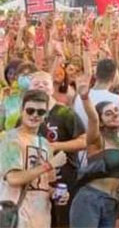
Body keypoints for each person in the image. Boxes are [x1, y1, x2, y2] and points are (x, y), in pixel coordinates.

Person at [0, 89, 69, 228]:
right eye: (30, 110)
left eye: (40, 112)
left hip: (41, 219)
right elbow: (14, 178)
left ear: (46, 115)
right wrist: (49, 165)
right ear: (22, 110)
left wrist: (57, 194)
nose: (35, 115)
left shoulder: (45, 144)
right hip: (16, 217)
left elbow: (45, 186)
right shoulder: (11, 139)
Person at [70, 73, 119, 228]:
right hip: (90, 199)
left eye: (116, 110)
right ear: (101, 122)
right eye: (108, 113)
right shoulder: (96, 140)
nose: (115, 114)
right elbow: (93, 118)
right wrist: (84, 98)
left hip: (111, 202)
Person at [28, 70, 86, 228]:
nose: (40, 86)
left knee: (62, 222)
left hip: (64, 181)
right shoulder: (25, 116)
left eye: (45, 83)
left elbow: (84, 140)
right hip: (35, 184)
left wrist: (55, 146)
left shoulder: (64, 113)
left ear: (52, 88)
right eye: (36, 84)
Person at [73, 58, 119, 134]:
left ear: (95, 74)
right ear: (114, 77)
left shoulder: (79, 97)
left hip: (81, 141)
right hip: (106, 143)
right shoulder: (117, 100)